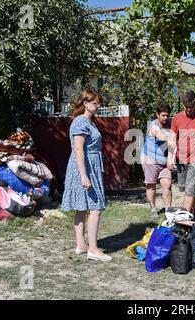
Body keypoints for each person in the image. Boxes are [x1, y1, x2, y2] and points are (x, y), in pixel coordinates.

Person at [61, 89, 111, 262]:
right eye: (95, 103)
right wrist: (83, 175)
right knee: (96, 207)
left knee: (82, 207)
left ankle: (81, 245)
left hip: (91, 166)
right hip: (84, 167)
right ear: (85, 103)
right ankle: (93, 249)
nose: (98, 106)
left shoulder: (89, 121)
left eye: (99, 103)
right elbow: (78, 148)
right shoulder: (81, 122)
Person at [141, 104, 176, 219]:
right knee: (151, 186)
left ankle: (168, 211)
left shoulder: (171, 123)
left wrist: (170, 160)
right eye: (163, 115)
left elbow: (171, 145)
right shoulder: (154, 125)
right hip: (150, 159)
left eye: (167, 115)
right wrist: (168, 138)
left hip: (164, 160)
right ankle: (153, 209)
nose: (165, 118)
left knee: (167, 185)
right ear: (157, 115)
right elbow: (161, 135)